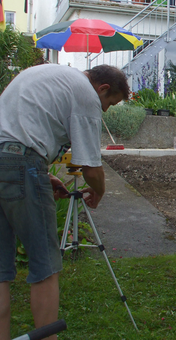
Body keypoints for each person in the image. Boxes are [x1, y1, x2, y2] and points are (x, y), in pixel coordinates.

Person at [0, 63, 129, 340]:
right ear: (102, 88)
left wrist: (44, 177)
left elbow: (15, 136)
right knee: (44, 263)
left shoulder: (52, 75)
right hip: (23, 163)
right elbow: (89, 166)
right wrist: (99, 192)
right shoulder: (85, 93)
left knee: (0, 267)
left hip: (10, 159)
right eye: (109, 103)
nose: (105, 110)